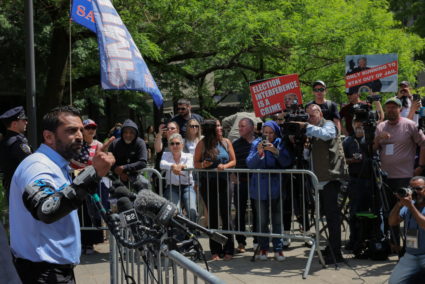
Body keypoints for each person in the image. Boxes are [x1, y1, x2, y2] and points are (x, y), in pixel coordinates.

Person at [9, 106, 115, 283]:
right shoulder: (37, 166)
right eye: (71, 130)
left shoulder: (57, 165)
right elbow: (47, 209)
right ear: (49, 136)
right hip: (42, 273)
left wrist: (94, 171)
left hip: (55, 272)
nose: (80, 136)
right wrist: (93, 173)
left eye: (81, 130)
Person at [295, 104, 347, 264]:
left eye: (312, 115)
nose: (309, 119)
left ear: (320, 113)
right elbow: (307, 156)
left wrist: (307, 127)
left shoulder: (328, 124)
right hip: (319, 180)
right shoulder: (311, 131)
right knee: (327, 216)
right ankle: (331, 246)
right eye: (307, 116)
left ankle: (336, 253)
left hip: (330, 179)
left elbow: (328, 135)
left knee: (333, 218)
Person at [374, 97, 425, 250]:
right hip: (385, 177)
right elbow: (373, 149)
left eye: (393, 107)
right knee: (391, 213)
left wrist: (421, 166)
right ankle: (395, 245)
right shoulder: (381, 126)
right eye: (388, 107)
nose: (390, 110)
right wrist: (377, 139)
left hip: (405, 177)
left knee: (409, 211)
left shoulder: (410, 125)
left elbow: (423, 145)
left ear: (400, 109)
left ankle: (412, 247)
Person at [246, 120, 293, 261]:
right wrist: (259, 153)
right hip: (259, 188)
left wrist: (275, 151)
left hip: (276, 187)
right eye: (265, 133)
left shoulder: (280, 142)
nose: (268, 136)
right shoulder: (256, 143)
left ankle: (278, 249)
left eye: (271, 133)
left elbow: (287, 162)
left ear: (275, 132)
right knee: (261, 220)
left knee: (277, 219)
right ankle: (264, 247)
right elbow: (249, 163)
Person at [194, 119, 236, 261]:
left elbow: (233, 160)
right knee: (212, 216)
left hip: (225, 181)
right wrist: (203, 164)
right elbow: (195, 163)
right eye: (217, 126)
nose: (220, 128)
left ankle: (229, 248)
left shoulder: (226, 142)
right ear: (211, 130)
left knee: (226, 215)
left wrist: (224, 166)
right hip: (208, 182)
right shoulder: (202, 144)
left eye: (220, 126)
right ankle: (215, 250)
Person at [70, 119, 105, 255]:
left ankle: (90, 243)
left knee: (93, 213)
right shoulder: (76, 145)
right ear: (82, 130)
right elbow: (71, 161)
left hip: (93, 183)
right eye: (88, 127)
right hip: (77, 183)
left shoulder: (99, 145)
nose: (91, 130)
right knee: (80, 213)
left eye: (93, 127)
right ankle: (80, 243)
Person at [388, 176, 425, 284]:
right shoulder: (408, 205)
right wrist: (399, 203)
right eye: (411, 189)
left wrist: (410, 206)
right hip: (411, 255)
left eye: (418, 189)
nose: (414, 192)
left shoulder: (410, 206)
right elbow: (392, 222)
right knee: (394, 282)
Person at [342, 118, 373, 250]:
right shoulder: (348, 141)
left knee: (374, 211)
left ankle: (372, 238)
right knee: (355, 211)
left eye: (362, 125)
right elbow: (341, 159)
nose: (359, 127)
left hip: (371, 179)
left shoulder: (371, 138)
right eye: (357, 125)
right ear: (353, 125)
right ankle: (354, 239)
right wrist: (351, 160)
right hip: (355, 180)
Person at [232, 118, 257, 253]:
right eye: (239, 126)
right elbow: (231, 161)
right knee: (239, 212)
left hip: (256, 182)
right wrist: (232, 174)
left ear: (251, 128)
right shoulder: (235, 144)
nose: (240, 129)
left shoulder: (260, 141)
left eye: (242, 126)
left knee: (257, 211)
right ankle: (241, 242)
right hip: (241, 182)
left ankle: (257, 241)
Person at [160, 133, 197, 223]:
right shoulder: (165, 154)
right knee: (176, 211)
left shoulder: (189, 156)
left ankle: (192, 233)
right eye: (172, 144)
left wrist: (181, 166)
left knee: (192, 210)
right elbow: (162, 164)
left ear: (182, 145)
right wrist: (173, 166)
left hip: (187, 187)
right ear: (169, 146)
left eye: (177, 143)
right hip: (172, 187)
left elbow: (190, 165)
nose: (175, 146)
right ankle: (179, 235)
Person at [0, 106, 32, 200]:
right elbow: (31, 165)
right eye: (23, 120)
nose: (26, 122)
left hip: (12, 187)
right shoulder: (17, 144)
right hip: (20, 190)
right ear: (14, 124)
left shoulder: (7, 141)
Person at [109, 119, 148, 186]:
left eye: (131, 132)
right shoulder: (114, 144)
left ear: (136, 134)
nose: (128, 135)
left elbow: (143, 162)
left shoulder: (140, 143)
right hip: (117, 177)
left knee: (145, 184)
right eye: (125, 132)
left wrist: (125, 167)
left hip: (136, 175)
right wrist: (120, 172)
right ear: (122, 133)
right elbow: (109, 161)